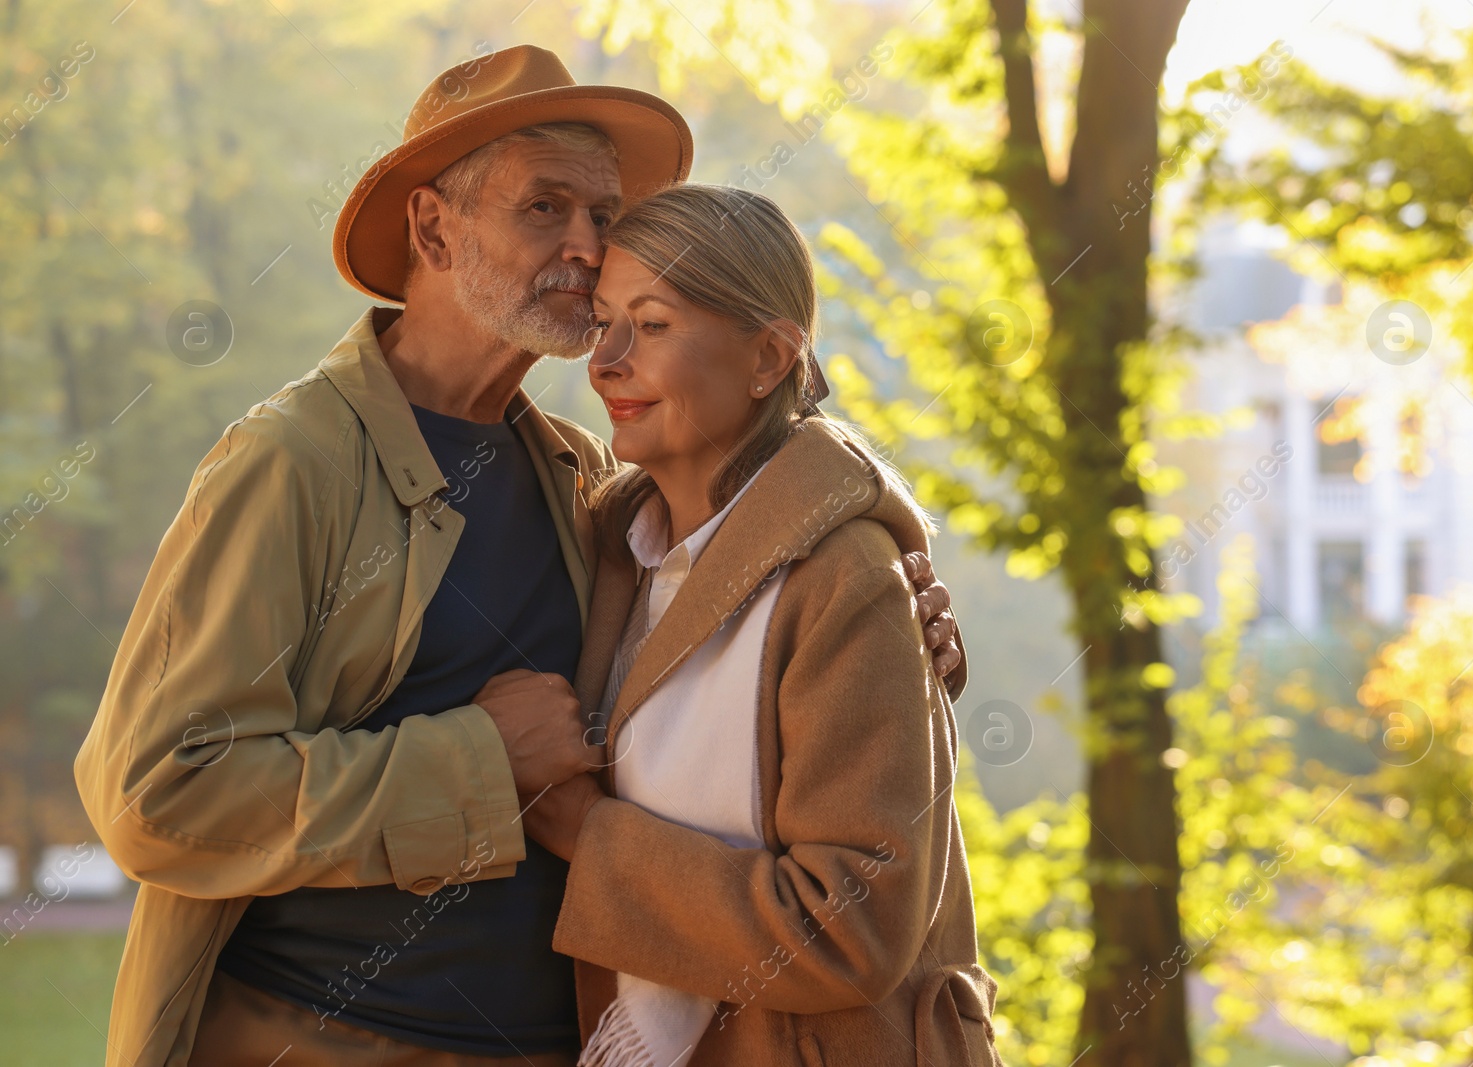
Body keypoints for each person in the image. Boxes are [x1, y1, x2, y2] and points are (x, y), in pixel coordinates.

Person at [74, 45, 961, 1067]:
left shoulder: (586, 478)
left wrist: (891, 574)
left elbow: (760, 536)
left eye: (604, 214)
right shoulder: (292, 463)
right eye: (545, 206)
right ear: (431, 226)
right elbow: (159, 791)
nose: (587, 247)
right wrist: (480, 763)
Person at [512, 183, 1000, 1067]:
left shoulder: (848, 578)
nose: (606, 360)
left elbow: (851, 926)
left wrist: (583, 829)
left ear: (769, 357)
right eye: (604, 321)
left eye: (652, 326)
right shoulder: (613, 551)